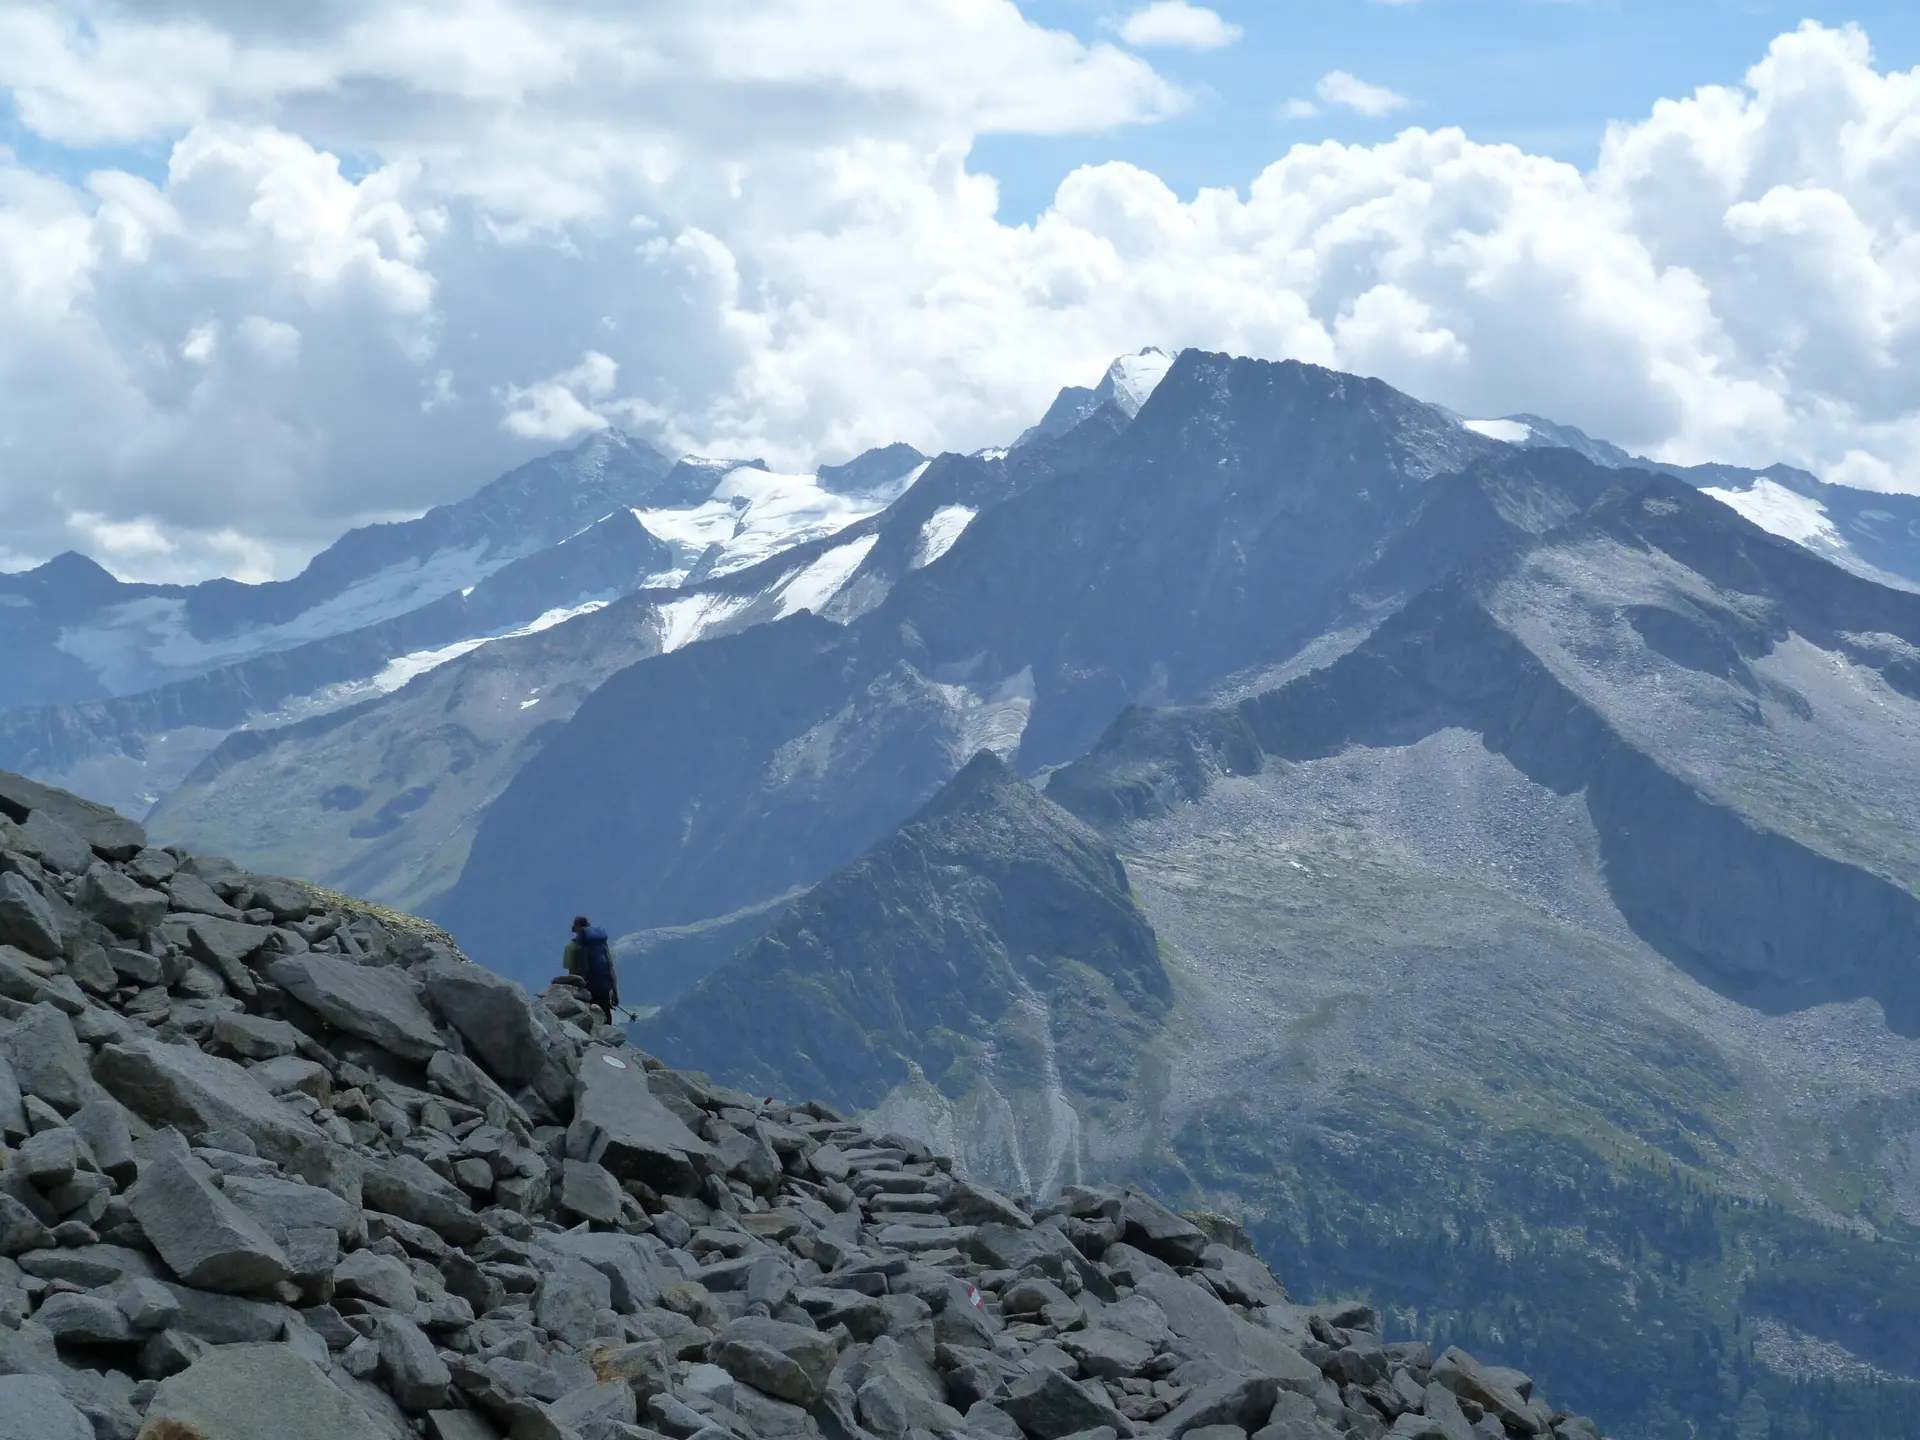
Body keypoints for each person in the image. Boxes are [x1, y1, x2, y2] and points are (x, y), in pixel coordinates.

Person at [564, 915, 620, 1021]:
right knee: (605, 1022)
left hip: (584, 990)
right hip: (604, 989)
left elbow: (571, 974)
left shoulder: (571, 947)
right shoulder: (603, 945)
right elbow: (610, 969)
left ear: (575, 928)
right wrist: (615, 992)